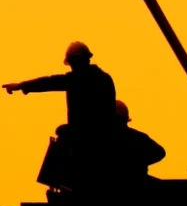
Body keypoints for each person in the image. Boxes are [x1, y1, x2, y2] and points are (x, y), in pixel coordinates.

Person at [5, 41, 117, 188]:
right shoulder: (103, 79)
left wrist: (22, 85)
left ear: (80, 60)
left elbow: (50, 82)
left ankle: (63, 185)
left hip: (90, 142)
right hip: (102, 139)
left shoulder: (81, 79)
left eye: (73, 62)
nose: (72, 67)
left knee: (64, 139)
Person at [110, 100, 167, 181]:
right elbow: (160, 153)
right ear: (126, 118)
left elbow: (160, 152)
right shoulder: (139, 137)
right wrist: (138, 163)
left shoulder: (137, 137)